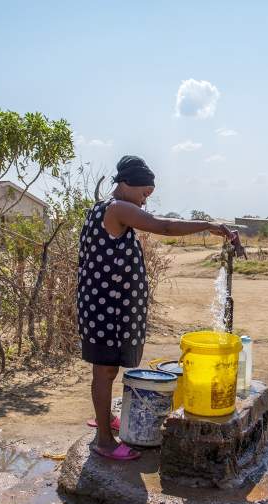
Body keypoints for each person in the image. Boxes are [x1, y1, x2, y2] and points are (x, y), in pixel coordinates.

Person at [79, 155, 231, 460]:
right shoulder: (118, 207)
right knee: (105, 369)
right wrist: (208, 225)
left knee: (107, 368)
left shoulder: (107, 208)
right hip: (105, 305)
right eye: (144, 194)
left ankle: (105, 420)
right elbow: (163, 226)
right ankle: (104, 441)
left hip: (109, 303)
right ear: (125, 185)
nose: (145, 202)